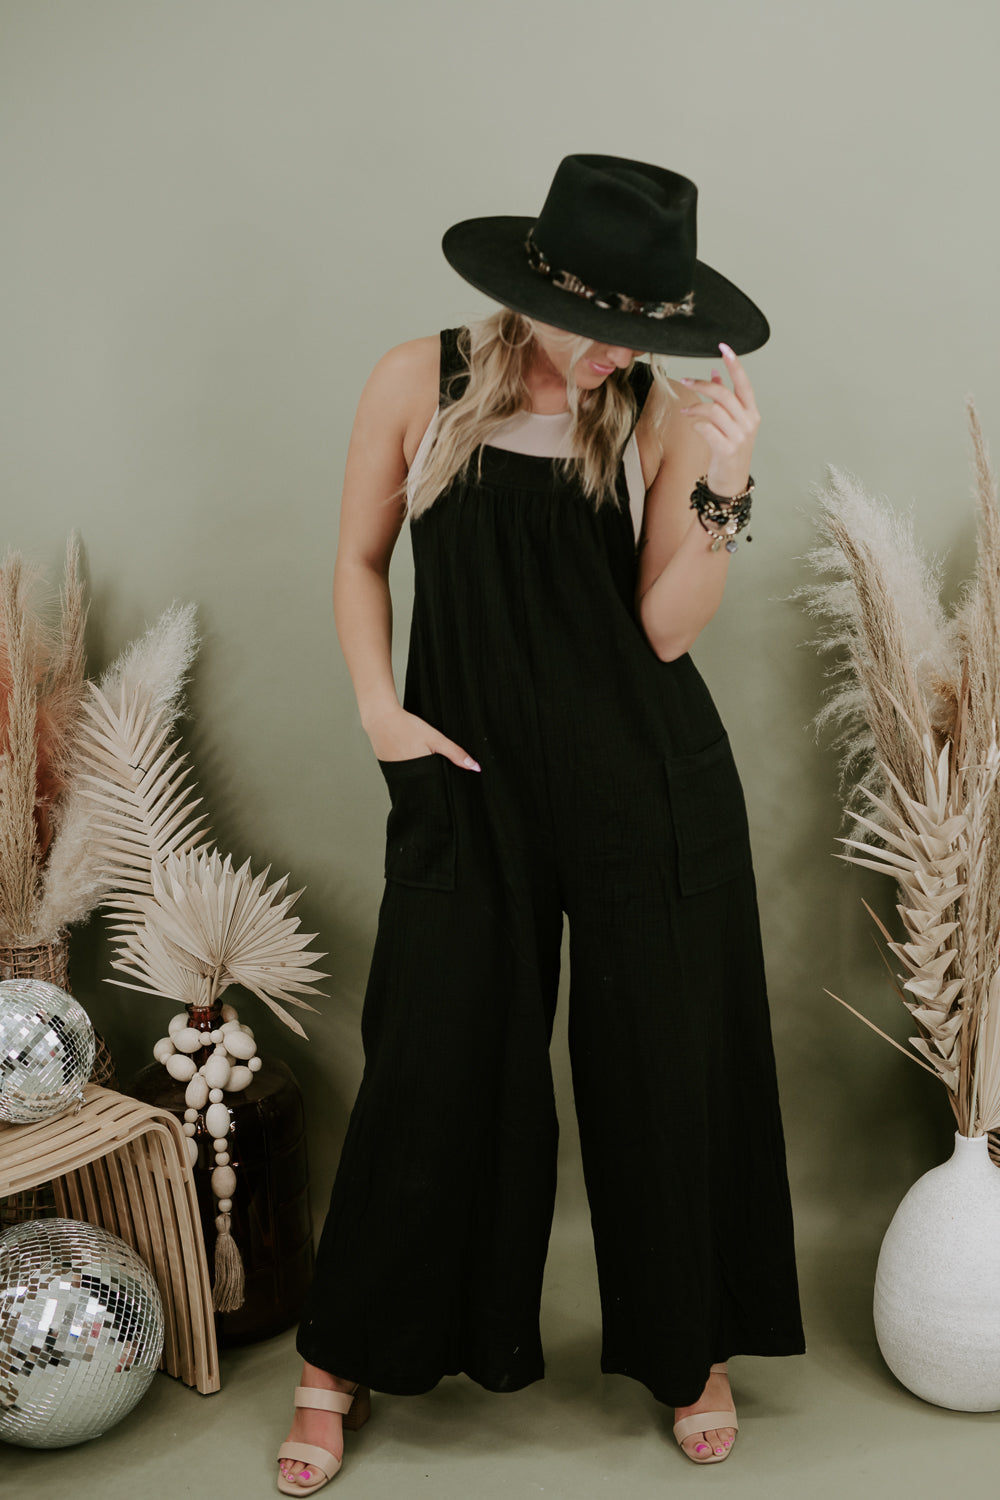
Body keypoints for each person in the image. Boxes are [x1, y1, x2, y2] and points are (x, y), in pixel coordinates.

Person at [277, 154, 804, 1494]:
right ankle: (338, 1360)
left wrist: (729, 480)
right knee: (432, 1056)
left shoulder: (654, 417)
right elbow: (357, 559)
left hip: (645, 783)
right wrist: (380, 711)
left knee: (664, 1066)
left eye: (639, 330)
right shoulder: (420, 379)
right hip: (467, 779)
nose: (611, 353)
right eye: (595, 322)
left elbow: (664, 631)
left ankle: (691, 1349)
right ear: (534, 288)